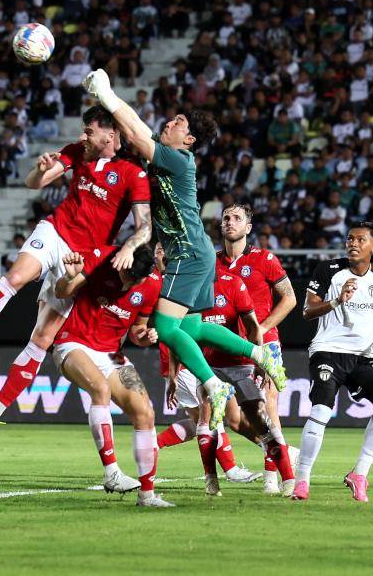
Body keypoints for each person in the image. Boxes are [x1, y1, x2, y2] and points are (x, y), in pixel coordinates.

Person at [82, 68, 286, 431]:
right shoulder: (170, 156)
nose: (170, 122)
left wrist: (105, 96)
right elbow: (137, 125)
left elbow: (131, 131)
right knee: (191, 326)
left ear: (188, 138)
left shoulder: (178, 160)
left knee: (164, 324)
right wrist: (106, 94)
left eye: (178, 121)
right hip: (199, 251)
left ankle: (212, 385)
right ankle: (259, 353)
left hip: (187, 251)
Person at [0, 107, 152, 448]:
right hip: (56, 232)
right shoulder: (76, 152)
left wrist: (130, 245)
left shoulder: (133, 174)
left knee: (41, 341)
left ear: (111, 135)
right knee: (16, 277)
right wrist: (40, 170)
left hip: (81, 261)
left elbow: (144, 225)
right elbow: (35, 184)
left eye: (89, 131)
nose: (83, 136)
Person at [51, 244, 169, 507]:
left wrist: (146, 336)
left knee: (146, 412)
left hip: (112, 354)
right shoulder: (101, 258)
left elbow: (137, 330)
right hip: (73, 343)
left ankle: (147, 495)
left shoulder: (152, 285)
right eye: (125, 277)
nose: (126, 286)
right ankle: (112, 473)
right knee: (100, 389)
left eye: (134, 281)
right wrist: (71, 277)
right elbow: (61, 292)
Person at [295, 222, 373, 502]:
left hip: (362, 356)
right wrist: (337, 301)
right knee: (322, 410)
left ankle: (360, 473)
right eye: (349, 239)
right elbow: (307, 311)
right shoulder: (329, 270)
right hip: (328, 351)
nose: (352, 244)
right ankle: (302, 479)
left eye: (360, 240)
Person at [156, 270, 264, 495]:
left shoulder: (172, 282)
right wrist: (174, 372)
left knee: (200, 420)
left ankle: (154, 444)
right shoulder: (173, 282)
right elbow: (181, 333)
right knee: (211, 417)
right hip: (189, 363)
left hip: (183, 362)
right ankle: (229, 470)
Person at [216, 204, 299, 494]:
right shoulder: (213, 263)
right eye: (226, 217)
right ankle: (284, 451)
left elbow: (289, 298)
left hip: (264, 344)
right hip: (226, 349)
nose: (230, 222)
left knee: (267, 407)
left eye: (237, 218)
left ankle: (273, 477)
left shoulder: (265, 259)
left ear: (248, 228)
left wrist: (261, 329)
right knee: (234, 418)